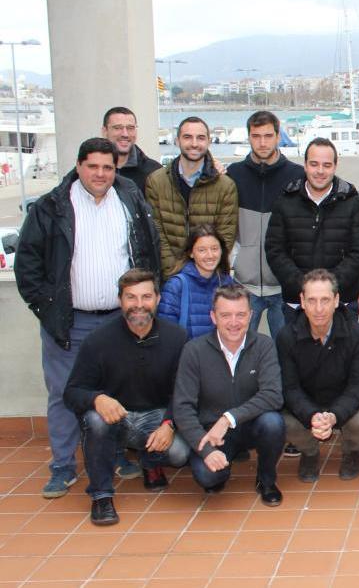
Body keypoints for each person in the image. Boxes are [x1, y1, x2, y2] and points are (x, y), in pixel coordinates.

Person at [16, 138, 160, 498]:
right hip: (69, 320)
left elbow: (149, 250)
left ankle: (114, 457)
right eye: (93, 166)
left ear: (116, 168)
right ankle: (63, 467)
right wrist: (47, 307)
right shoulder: (52, 207)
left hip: (118, 319)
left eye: (108, 167)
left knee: (116, 392)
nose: (100, 173)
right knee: (65, 393)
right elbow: (28, 264)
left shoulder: (130, 201)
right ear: (79, 166)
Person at [63, 269, 190, 525]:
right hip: (115, 418)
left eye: (146, 297)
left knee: (179, 453)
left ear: (158, 299)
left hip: (155, 418)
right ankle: (101, 496)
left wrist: (169, 424)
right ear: (120, 300)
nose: (139, 305)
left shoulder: (177, 337)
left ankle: (149, 461)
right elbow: (71, 392)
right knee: (95, 420)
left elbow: (184, 390)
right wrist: (97, 399)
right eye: (131, 297)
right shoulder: (98, 341)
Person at [172, 284, 285, 505]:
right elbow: (183, 408)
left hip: (252, 425)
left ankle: (266, 480)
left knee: (274, 422)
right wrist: (205, 451)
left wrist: (229, 418)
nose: (234, 322)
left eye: (241, 315)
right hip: (212, 433)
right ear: (213, 317)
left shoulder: (264, 345)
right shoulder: (194, 351)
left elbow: (273, 395)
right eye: (226, 315)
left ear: (251, 315)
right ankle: (221, 465)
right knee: (209, 478)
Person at [278, 269, 359, 482]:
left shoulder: (356, 333)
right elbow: (289, 388)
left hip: (343, 401)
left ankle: (351, 452)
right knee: (282, 422)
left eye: (325, 300)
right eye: (312, 300)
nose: (318, 309)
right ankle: (309, 453)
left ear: (337, 300)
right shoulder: (287, 336)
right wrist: (312, 415)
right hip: (307, 402)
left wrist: (333, 415)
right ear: (302, 301)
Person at [265, 138, 359, 322]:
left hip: (342, 303)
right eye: (314, 164)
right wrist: (304, 285)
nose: (320, 171)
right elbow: (275, 250)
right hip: (297, 303)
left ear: (335, 166)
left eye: (327, 165)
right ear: (305, 165)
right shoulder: (285, 201)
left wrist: (329, 286)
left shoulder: (353, 202)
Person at [226, 110, 305, 337]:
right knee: (240, 352)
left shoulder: (297, 176)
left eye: (268, 135)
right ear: (249, 137)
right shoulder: (233, 174)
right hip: (244, 284)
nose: (262, 142)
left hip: (283, 285)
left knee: (285, 355)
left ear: (278, 136)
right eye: (256, 136)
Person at [144, 116, 238, 277]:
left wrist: (202, 274)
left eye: (200, 138)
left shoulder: (225, 186)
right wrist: (177, 275)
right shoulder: (156, 181)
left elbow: (225, 237)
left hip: (209, 279)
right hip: (170, 278)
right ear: (177, 141)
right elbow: (157, 233)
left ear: (208, 141)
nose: (194, 143)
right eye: (187, 137)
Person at [158, 223, 239, 339]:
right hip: (187, 355)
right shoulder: (176, 286)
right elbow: (167, 334)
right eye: (202, 250)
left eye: (214, 249)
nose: (210, 255)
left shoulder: (226, 283)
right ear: (191, 253)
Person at [102, 106, 160, 192]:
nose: (125, 134)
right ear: (104, 131)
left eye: (130, 128)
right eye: (117, 128)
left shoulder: (153, 172)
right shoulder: (90, 168)